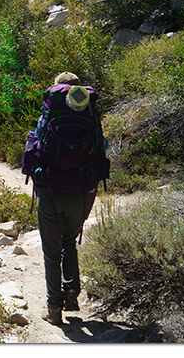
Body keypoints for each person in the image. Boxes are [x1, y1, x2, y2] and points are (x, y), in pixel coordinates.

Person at [28, 72, 106, 326]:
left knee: (51, 252)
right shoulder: (91, 116)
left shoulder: (49, 114)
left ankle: (54, 309)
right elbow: (101, 146)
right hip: (82, 191)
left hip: (50, 190)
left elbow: (37, 146)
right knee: (69, 241)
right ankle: (71, 294)